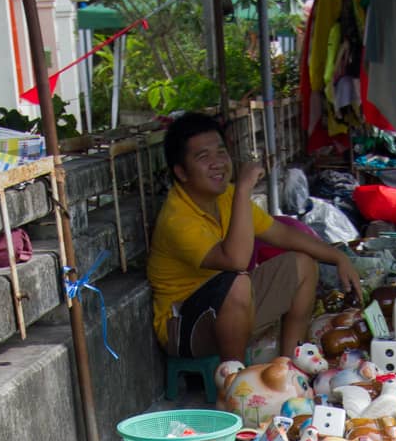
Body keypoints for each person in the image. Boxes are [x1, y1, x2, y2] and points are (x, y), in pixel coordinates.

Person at [148, 111, 363, 362]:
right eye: (203, 157)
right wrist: (243, 189)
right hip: (184, 329)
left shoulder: (226, 196)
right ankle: (234, 384)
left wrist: (337, 257)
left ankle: (289, 366)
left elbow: (281, 233)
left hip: (227, 313)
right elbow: (235, 261)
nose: (217, 162)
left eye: (221, 152)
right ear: (182, 172)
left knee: (303, 264)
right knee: (238, 281)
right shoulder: (177, 217)